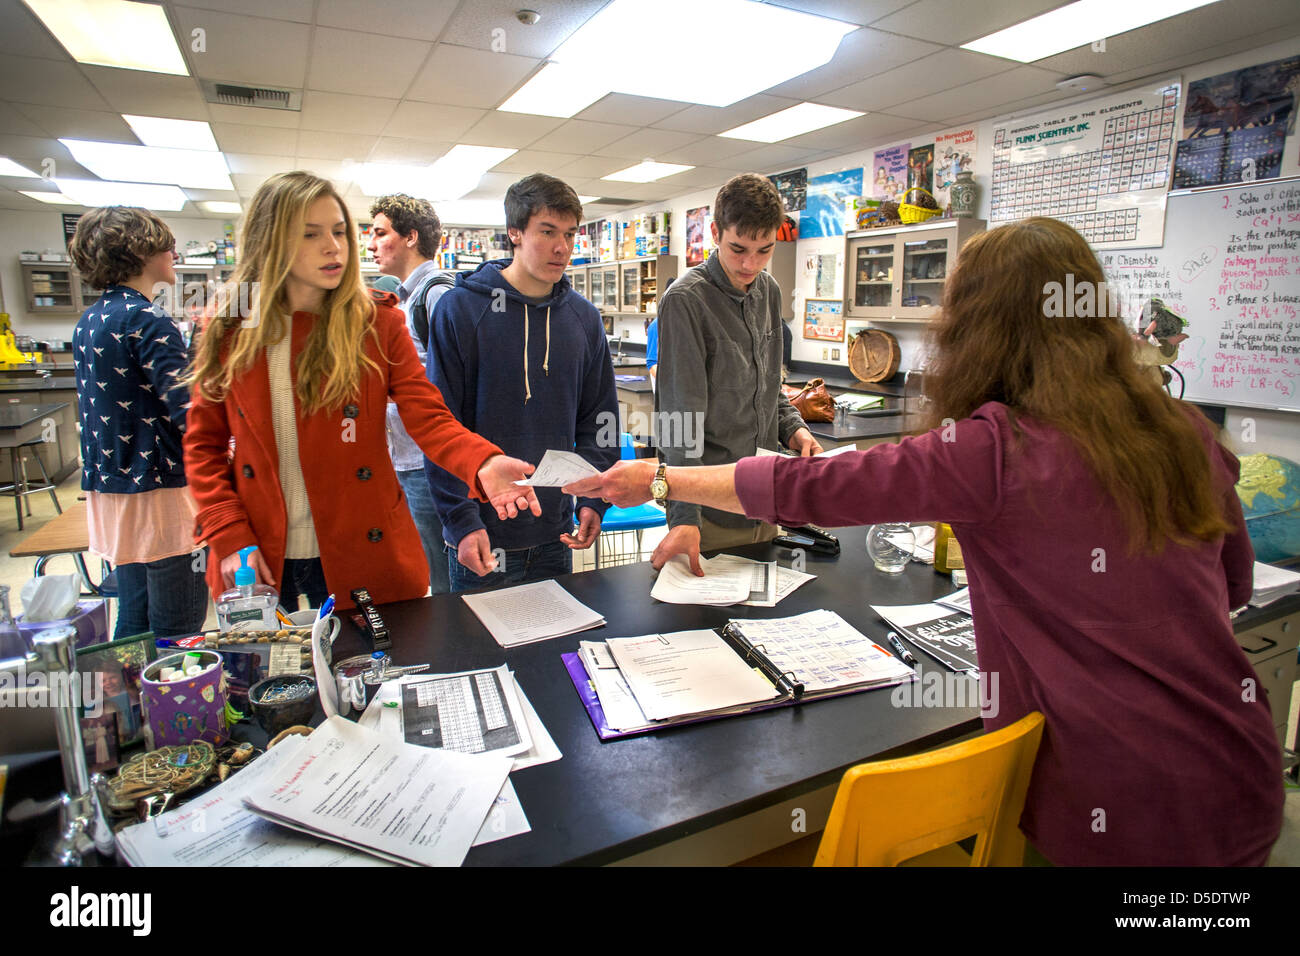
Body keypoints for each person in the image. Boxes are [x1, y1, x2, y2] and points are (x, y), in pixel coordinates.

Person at [566, 217, 1283, 867]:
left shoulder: (992, 449)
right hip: (1238, 776)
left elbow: (811, 488)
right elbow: (1233, 589)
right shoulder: (1185, 431)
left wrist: (662, 480)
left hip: (1115, 810)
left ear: (977, 328)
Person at [183, 170, 540, 613]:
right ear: (269, 241)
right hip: (258, 552)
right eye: (310, 234)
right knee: (270, 678)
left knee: (371, 671)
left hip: (361, 547)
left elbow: (427, 415)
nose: (334, 247)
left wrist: (481, 461)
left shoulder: (377, 322)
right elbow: (202, 447)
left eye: (339, 231)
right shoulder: (231, 329)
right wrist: (229, 534)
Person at [426, 173, 619, 592]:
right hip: (482, 536)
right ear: (514, 232)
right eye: (547, 232)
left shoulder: (583, 319)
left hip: (555, 533)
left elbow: (599, 420)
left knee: (556, 656)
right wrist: (459, 521)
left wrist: (593, 499)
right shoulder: (461, 310)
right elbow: (439, 427)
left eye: (569, 234)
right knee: (481, 655)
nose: (561, 247)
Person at [653, 173, 821, 576]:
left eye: (764, 250)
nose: (750, 264)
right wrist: (684, 519)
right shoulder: (685, 300)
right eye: (738, 249)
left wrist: (794, 429)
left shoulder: (769, 291)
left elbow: (769, 386)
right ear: (715, 232)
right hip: (708, 507)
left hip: (763, 499)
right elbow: (679, 421)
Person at [69, 206, 209, 639]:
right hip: (159, 490)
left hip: (113, 487)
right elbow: (187, 411)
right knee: (178, 624)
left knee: (133, 618)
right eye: (164, 244)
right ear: (138, 250)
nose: (172, 252)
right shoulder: (148, 318)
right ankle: (176, 704)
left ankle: (130, 705)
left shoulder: (90, 320)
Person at [368, 193, 455, 595]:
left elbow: (456, 383)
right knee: (426, 566)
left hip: (430, 460)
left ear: (410, 237)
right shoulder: (402, 300)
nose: (371, 244)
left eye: (380, 233)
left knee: (442, 577)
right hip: (405, 455)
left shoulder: (436, 295)